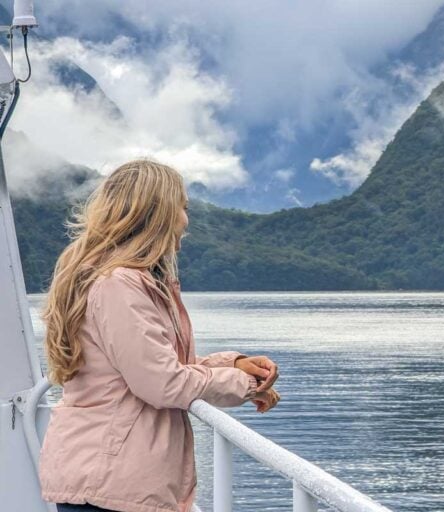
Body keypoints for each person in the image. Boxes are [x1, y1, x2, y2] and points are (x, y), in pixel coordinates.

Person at [37, 159, 281, 512]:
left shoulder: (127, 281)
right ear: (159, 214)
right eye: (183, 208)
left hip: (110, 478)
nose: (187, 220)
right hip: (111, 483)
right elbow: (160, 383)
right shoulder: (120, 285)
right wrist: (243, 385)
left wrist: (235, 364)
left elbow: (148, 366)